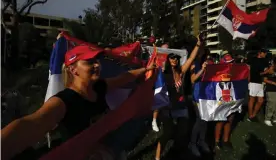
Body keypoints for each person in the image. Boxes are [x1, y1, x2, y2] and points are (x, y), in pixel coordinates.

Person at [1, 45, 156, 160]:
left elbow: (124, 78)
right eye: (89, 62)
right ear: (74, 70)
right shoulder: (63, 101)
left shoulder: (99, 87)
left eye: (96, 60)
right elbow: (32, 124)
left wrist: (144, 70)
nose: (97, 65)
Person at [155, 35, 203, 160]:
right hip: (167, 106)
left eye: (176, 58)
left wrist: (198, 44)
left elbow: (191, 57)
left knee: (183, 131)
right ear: (168, 60)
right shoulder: (164, 74)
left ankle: (177, 149)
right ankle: (157, 157)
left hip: (180, 105)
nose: (174, 60)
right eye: (172, 58)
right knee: (167, 133)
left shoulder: (181, 71)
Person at [188, 48, 211, 157]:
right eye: (205, 54)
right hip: (197, 96)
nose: (207, 57)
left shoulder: (208, 63)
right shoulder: (194, 64)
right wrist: (202, 70)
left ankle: (201, 141)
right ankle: (192, 143)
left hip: (207, 96)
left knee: (205, 119)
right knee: (199, 119)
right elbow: (193, 79)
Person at [214, 53, 236, 150]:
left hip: (232, 99)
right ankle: (217, 141)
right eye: (229, 62)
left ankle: (226, 140)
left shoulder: (235, 72)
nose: (232, 64)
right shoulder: (218, 73)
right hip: (222, 100)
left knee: (230, 119)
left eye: (232, 62)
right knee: (221, 120)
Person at [247, 49, 269, 122]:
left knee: (260, 100)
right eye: (264, 52)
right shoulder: (253, 60)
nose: (265, 54)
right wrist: (266, 71)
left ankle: (253, 114)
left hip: (260, 83)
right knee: (252, 100)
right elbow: (255, 73)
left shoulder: (265, 61)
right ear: (260, 53)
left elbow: (264, 72)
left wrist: (267, 71)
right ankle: (250, 116)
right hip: (253, 82)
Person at [263, 57, 276, 126]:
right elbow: (264, 80)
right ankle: (267, 119)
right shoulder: (269, 69)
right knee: (271, 104)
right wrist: (273, 83)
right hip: (271, 89)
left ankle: (274, 118)